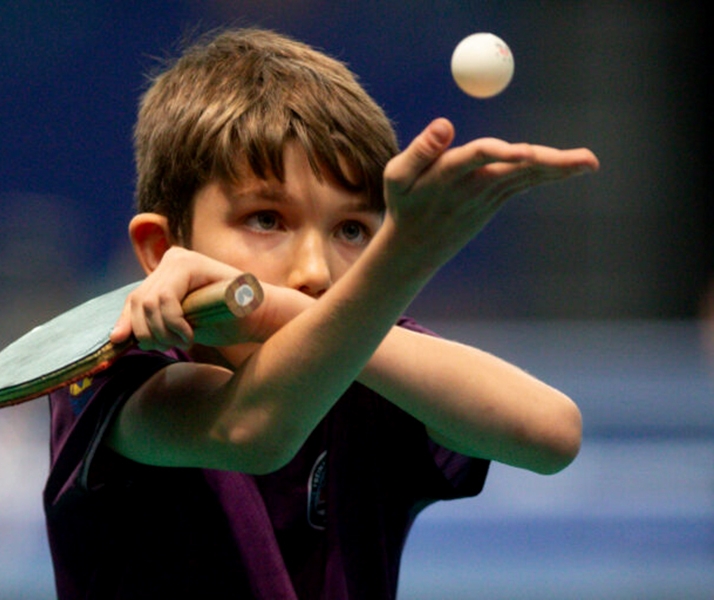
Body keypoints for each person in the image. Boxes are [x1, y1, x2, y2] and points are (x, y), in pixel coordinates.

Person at [42, 28, 598, 599]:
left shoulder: (365, 360)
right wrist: (401, 256)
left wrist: (271, 308)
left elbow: (552, 435)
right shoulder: (114, 368)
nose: (316, 272)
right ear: (163, 249)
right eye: (266, 220)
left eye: (352, 230)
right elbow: (249, 431)